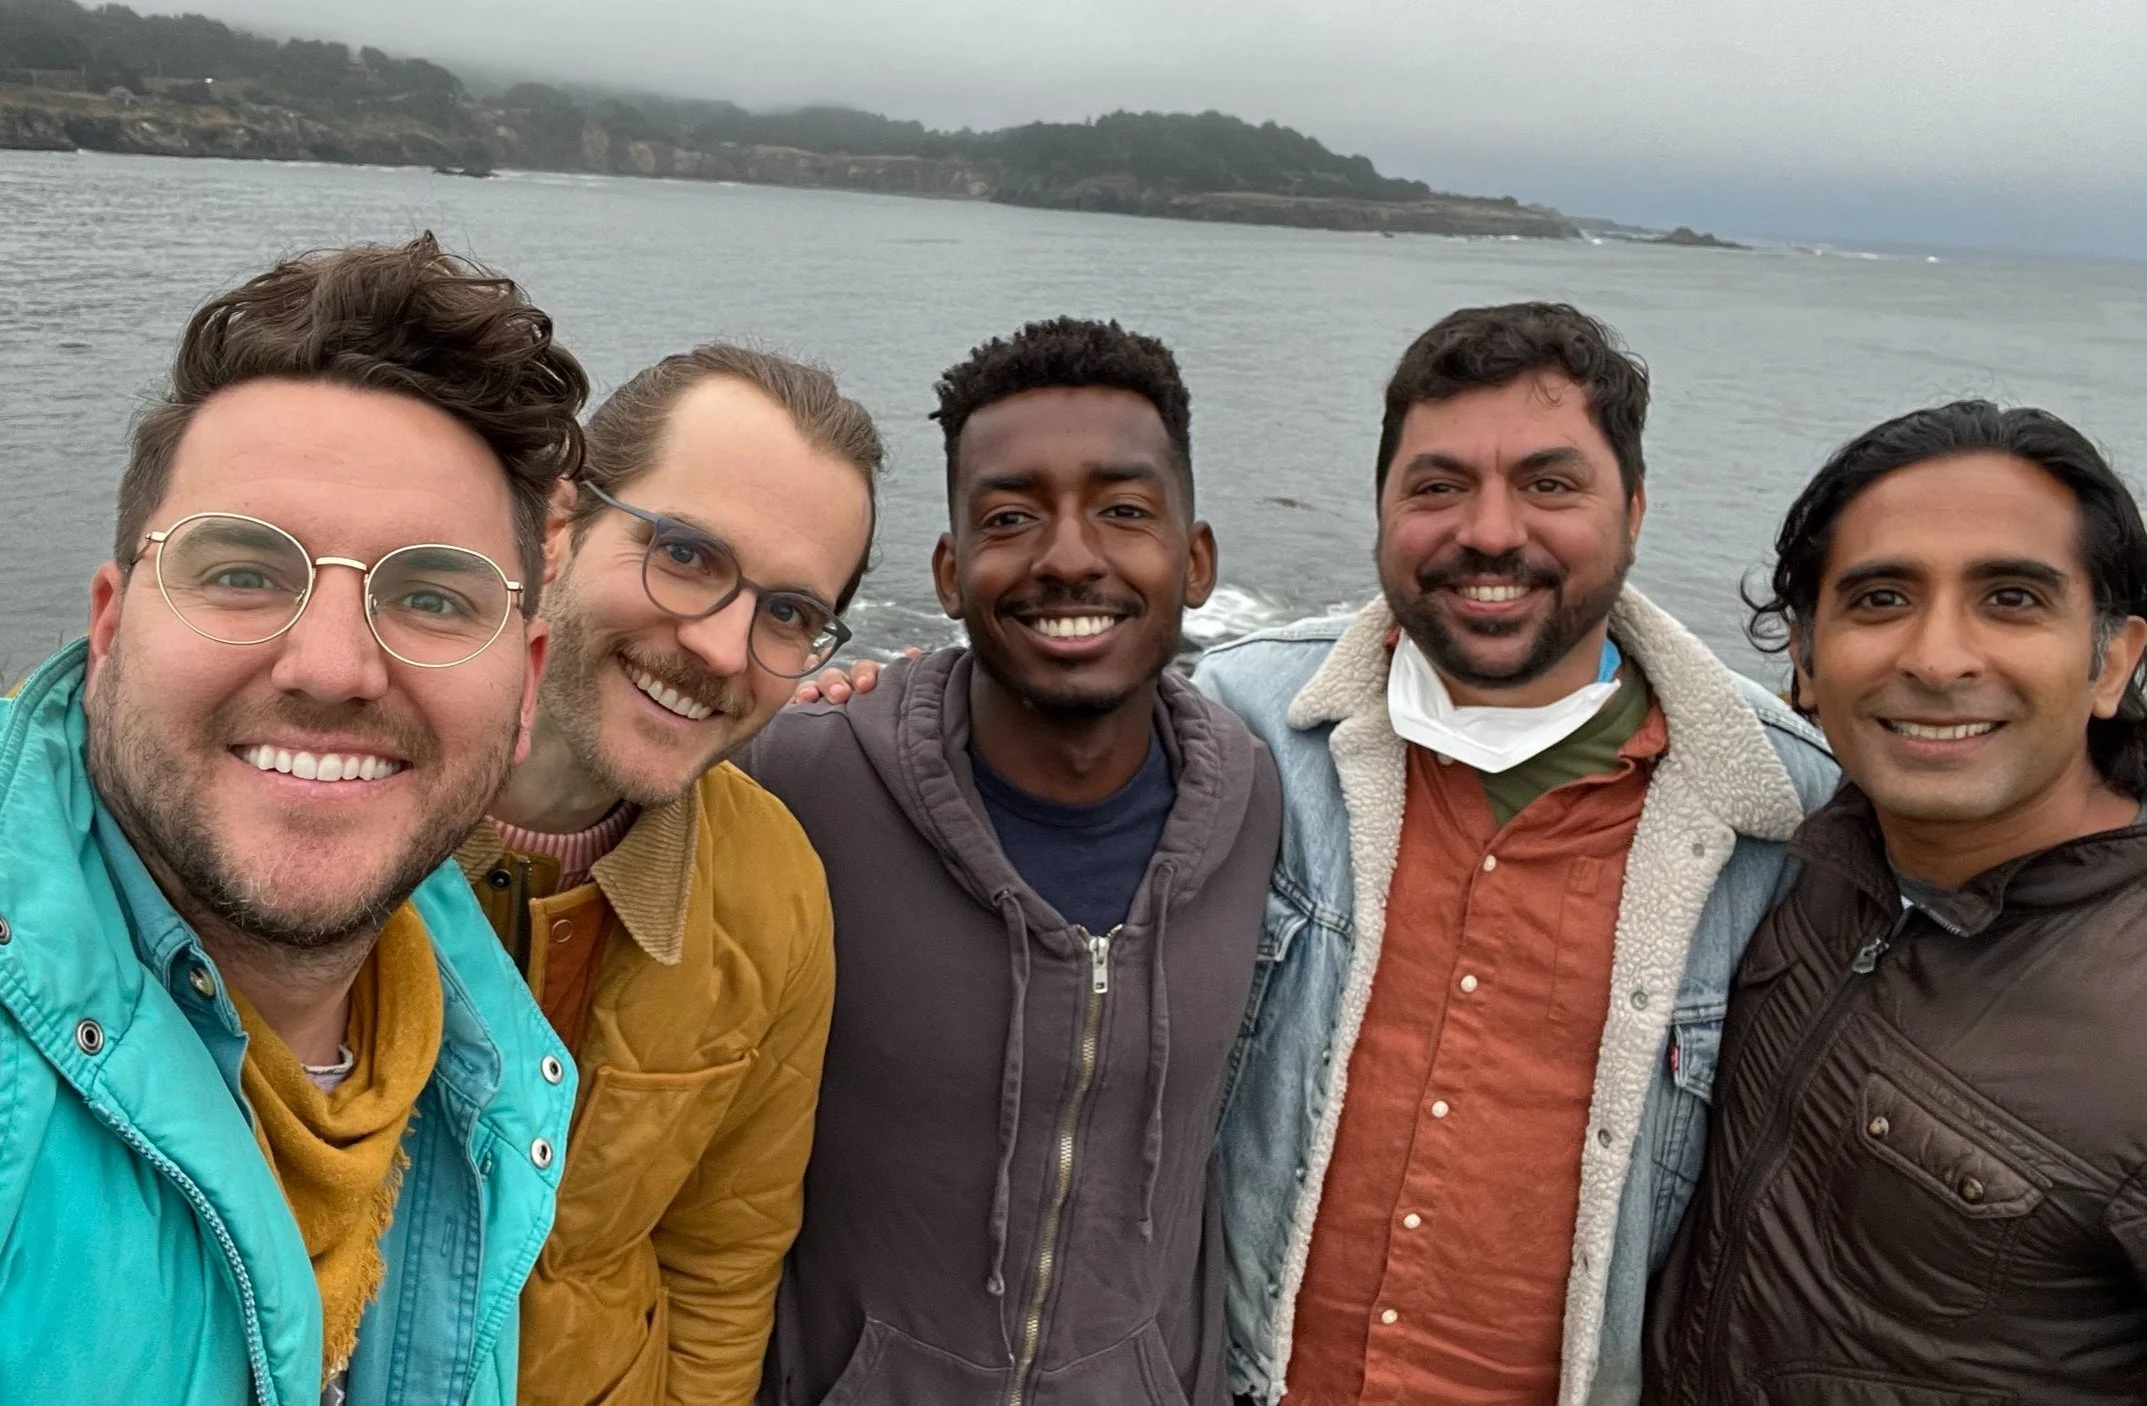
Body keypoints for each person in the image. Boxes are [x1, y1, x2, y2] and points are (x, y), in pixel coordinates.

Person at [1193, 302, 1839, 1406]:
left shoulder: (1784, 812)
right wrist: (856, 706)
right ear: (1381, 507)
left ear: (1633, 511)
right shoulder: (1236, 720)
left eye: (1549, 483)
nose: (1489, 532)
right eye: (1437, 485)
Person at [0, 235, 585, 1404]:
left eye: (429, 596)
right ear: (110, 626)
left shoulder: (487, 1070)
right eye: (241, 571)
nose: (331, 665)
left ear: (525, 689)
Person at [740, 317, 1282, 1406]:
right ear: (949, 571)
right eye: (1008, 516)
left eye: (1123, 510)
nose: (1069, 554)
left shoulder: (1255, 799)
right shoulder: (795, 777)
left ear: (1196, 558)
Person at [1645, 401, 2147, 1402]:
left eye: (2009, 598)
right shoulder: (1784, 861)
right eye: (1878, 598)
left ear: (2110, 662)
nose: (1935, 657)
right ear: (1802, 657)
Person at [462, 345, 876, 1404]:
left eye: (788, 613)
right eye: (686, 554)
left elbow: (721, 1258)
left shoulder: (771, 888)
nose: (726, 648)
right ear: (558, 524)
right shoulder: (320, 800)